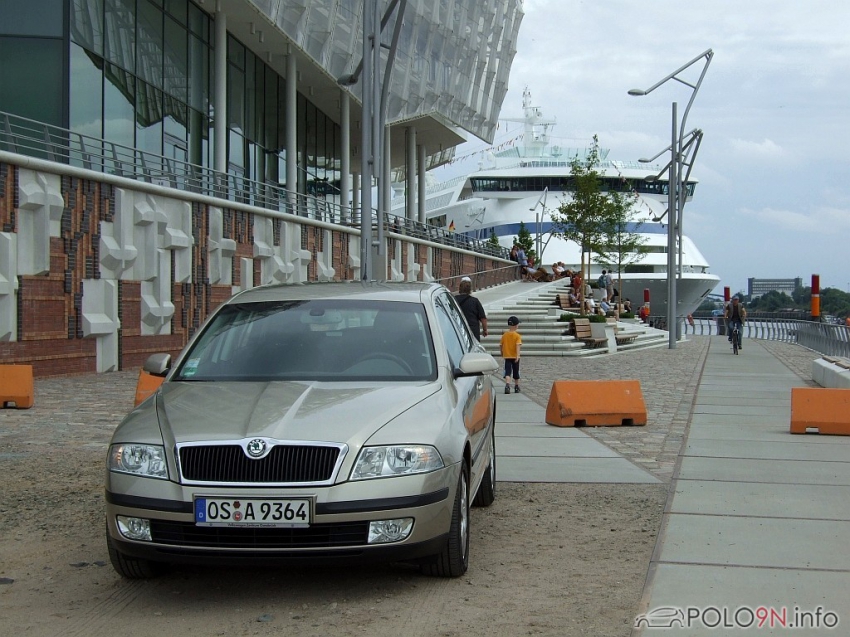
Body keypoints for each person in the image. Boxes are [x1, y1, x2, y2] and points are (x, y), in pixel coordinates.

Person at [500, 316, 522, 394]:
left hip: (507, 356)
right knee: (516, 371)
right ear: (516, 326)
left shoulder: (504, 335)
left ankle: (507, 385)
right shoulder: (517, 336)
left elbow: (501, 345)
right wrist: (518, 355)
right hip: (514, 356)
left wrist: (502, 353)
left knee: (507, 371)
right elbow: (517, 345)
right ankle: (516, 386)